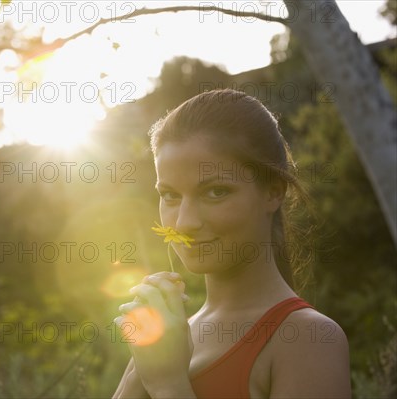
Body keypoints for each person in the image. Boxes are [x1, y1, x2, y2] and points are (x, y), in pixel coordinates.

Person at [112, 89, 351, 398]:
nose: (184, 222)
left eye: (216, 192)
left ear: (273, 192)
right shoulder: (171, 336)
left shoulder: (310, 339)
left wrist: (167, 385)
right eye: (170, 195)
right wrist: (137, 375)